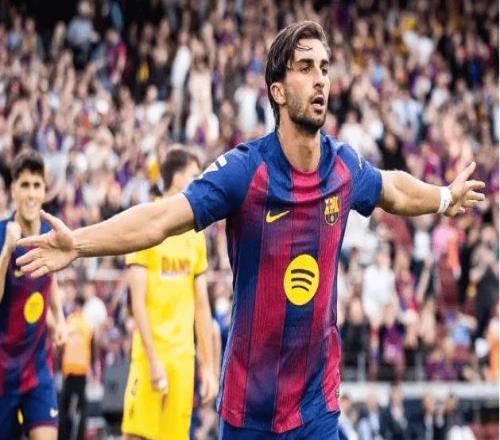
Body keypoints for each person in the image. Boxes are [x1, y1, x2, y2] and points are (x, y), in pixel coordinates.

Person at [17, 21, 485, 440]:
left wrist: (445, 197)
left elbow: (393, 189)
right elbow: (159, 219)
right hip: (249, 411)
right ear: (277, 90)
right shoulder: (246, 171)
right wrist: (78, 243)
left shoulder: (343, 166)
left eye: (324, 68)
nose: (320, 79)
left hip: (317, 407)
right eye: (306, 67)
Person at [122, 148, 218, 440]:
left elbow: (202, 306)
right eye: (194, 175)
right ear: (176, 177)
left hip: (183, 360)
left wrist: (208, 367)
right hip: (149, 355)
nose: (199, 181)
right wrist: (153, 360)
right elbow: (137, 303)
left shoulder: (195, 232)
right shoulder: (146, 221)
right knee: (137, 436)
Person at [0, 150, 66, 440]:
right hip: (2, 373)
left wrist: (59, 320)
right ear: (13, 189)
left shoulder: (49, 235)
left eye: (36, 185)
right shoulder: (2, 234)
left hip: (37, 368)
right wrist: (7, 252)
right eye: (24, 185)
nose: (30, 193)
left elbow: (50, 278)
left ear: (44, 190)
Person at [58, 294, 94, 440]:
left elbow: (61, 345)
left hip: (68, 369)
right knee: (82, 407)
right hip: (81, 370)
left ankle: (63, 436)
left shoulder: (68, 322)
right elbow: (92, 348)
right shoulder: (87, 325)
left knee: (64, 407)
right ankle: (79, 436)